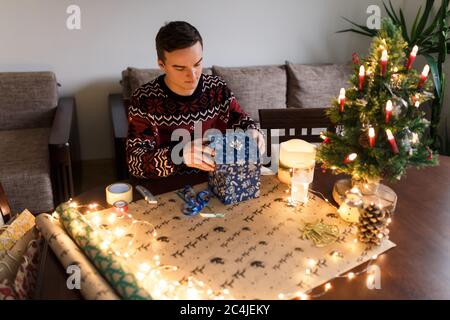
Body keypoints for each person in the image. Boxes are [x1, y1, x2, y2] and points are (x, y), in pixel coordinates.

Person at [126, 21, 265, 179]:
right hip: (169, 188)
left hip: (218, 181)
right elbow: (135, 163)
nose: (193, 76)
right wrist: (178, 155)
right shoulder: (144, 100)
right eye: (180, 68)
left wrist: (253, 131)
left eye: (197, 64)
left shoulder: (217, 89)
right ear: (161, 65)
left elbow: (241, 120)